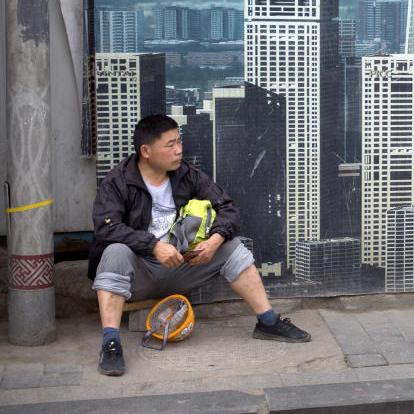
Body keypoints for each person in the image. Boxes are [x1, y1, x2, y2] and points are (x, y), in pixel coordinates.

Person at [89, 114, 310, 376]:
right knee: (114, 252)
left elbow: (228, 208)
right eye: (170, 144)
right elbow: (107, 227)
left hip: (183, 266)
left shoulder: (185, 174)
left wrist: (214, 242)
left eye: (179, 142)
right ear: (146, 151)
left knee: (231, 246)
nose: (179, 150)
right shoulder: (118, 182)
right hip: (140, 275)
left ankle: (268, 322)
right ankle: (111, 343)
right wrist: (153, 246)